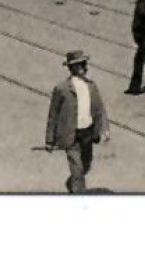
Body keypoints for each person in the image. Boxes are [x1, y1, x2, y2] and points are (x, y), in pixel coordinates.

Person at [45, 50, 107, 193]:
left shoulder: (91, 86)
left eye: (85, 64)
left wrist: (103, 129)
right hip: (70, 135)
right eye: (81, 65)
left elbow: (99, 109)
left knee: (86, 164)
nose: (85, 67)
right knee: (77, 169)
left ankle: (73, 184)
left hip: (88, 132)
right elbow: (53, 115)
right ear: (72, 68)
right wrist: (49, 140)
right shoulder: (62, 88)